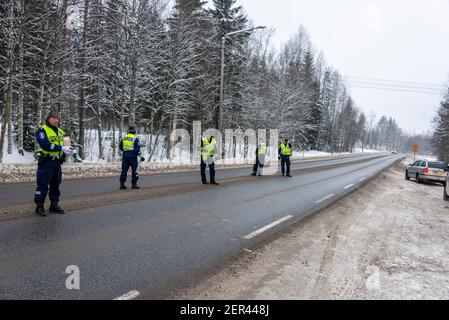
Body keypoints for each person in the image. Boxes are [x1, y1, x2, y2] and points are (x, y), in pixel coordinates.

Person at [34, 110, 74, 216]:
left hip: (57, 163)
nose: (56, 120)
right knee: (42, 185)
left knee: (56, 184)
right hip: (46, 162)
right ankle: (39, 206)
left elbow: (68, 145)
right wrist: (61, 148)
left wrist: (70, 150)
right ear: (49, 119)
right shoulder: (42, 130)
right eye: (54, 118)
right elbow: (45, 144)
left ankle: (54, 204)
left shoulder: (61, 132)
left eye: (57, 118)